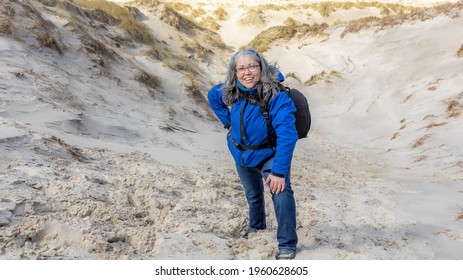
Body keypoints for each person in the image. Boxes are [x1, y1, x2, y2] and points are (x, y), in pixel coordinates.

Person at [207, 48, 298, 260]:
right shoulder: (232, 89)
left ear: (261, 68)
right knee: (253, 195)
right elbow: (213, 96)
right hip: (241, 155)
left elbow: (287, 135)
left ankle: (287, 244)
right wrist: (227, 122)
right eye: (241, 68)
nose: (247, 72)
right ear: (235, 73)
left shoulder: (276, 96)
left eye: (252, 66)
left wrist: (279, 171)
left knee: (281, 193)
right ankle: (257, 227)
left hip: (269, 155)